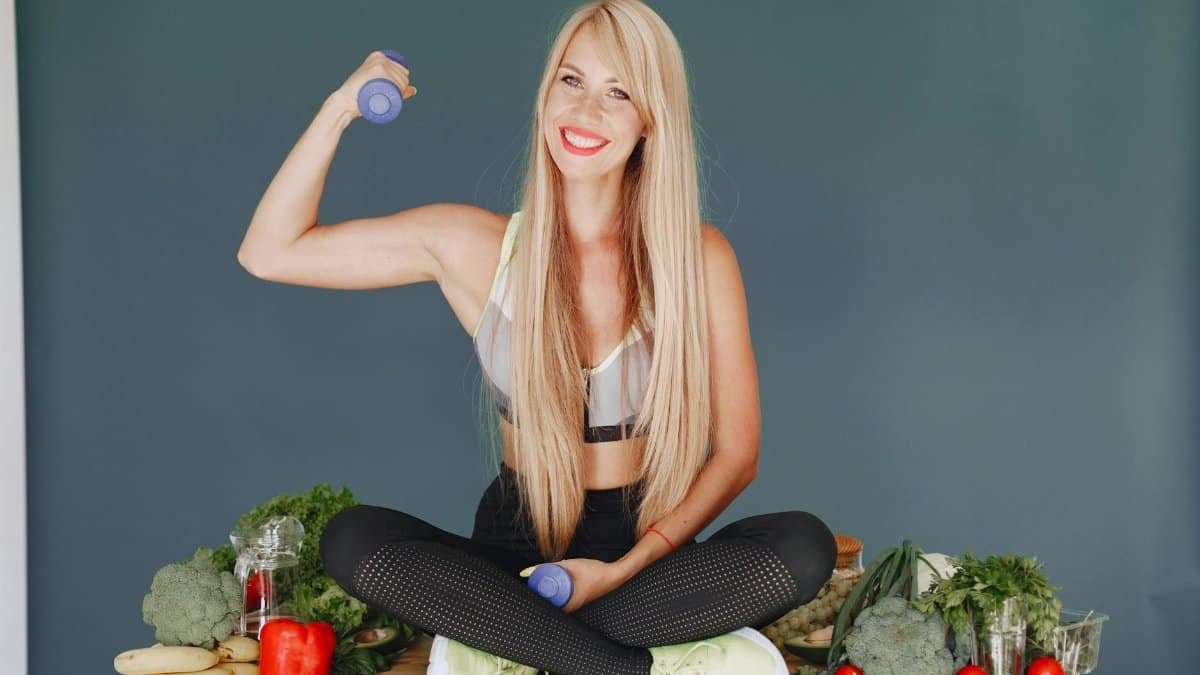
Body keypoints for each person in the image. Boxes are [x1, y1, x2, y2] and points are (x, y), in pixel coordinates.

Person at [237, 1, 835, 673]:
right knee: (354, 539)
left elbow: (737, 454)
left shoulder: (700, 259)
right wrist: (340, 107)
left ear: (650, 119)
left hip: (647, 564)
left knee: (804, 544)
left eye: (618, 93)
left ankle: (533, 640)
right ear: (547, 92)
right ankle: (619, 666)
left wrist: (622, 569)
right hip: (511, 556)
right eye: (571, 81)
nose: (585, 111)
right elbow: (269, 252)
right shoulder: (475, 246)